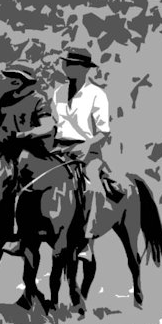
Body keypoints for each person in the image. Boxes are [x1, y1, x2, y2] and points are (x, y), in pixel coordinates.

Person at [50, 47, 111, 262]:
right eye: (66, 63)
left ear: (85, 69)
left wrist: (86, 146)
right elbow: (55, 125)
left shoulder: (97, 94)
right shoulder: (58, 92)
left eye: (73, 64)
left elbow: (103, 132)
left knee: (92, 185)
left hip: (87, 150)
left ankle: (87, 241)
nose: (68, 67)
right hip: (58, 148)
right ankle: (21, 233)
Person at [0, 62, 55, 255]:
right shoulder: (5, 99)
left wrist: (24, 134)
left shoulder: (38, 100)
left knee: (17, 178)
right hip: (7, 147)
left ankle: (18, 235)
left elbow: (48, 126)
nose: (12, 79)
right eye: (10, 76)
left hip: (31, 150)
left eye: (16, 76)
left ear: (26, 80)